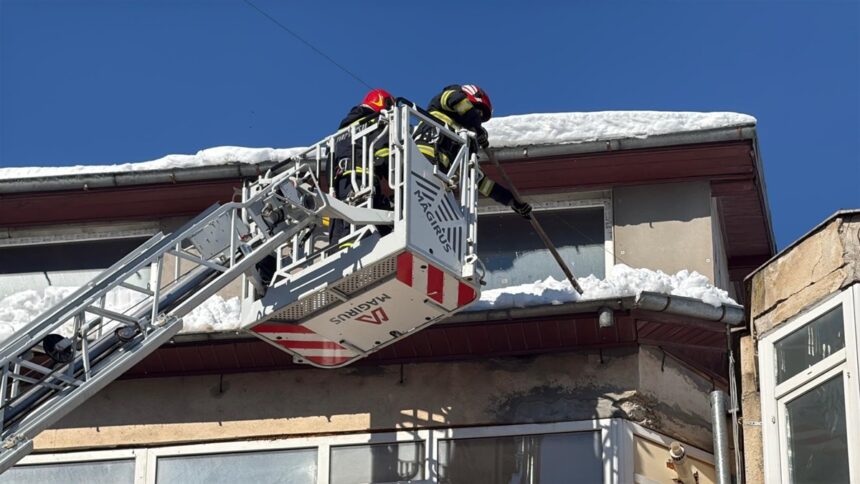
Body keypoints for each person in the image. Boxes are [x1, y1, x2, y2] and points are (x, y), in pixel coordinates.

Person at [413, 84, 532, 217]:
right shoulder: (444, 101)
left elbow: (481, 182)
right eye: (478, 111)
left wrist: (512, 201)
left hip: (437, 177)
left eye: (480, 117)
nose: (478, 117)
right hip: (420, 158)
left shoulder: (464, 140)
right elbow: (455, 99)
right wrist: (477, 126)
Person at [329, 89, 395, 247]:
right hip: (361, 181)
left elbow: (328, 161)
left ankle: (339, 253)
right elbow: (383, 153)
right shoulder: (375, 122)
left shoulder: (342, 131)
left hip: (339, 184)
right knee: (362, 220)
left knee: (342, 223)